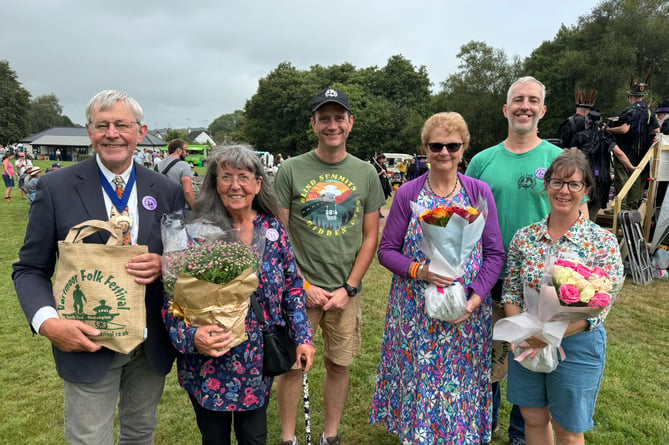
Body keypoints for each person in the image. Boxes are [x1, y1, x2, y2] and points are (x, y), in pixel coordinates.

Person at [12, 89, 185, 445]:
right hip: (86, 341)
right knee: (89, 439)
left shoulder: (166, 189)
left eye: (122, 125)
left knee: (140, 434)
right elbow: (30, 268)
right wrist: (48, 323)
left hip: (148, 343)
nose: (112, 134)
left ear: (141, 131)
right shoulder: (55, 187)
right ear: (89, 131)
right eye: (102, 125)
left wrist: (166, 264)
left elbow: (185, 258)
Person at [163, 144, 315, 445]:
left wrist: (303, 337)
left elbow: (292, 288)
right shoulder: (195, 231)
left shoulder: (273, 230)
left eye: (243, 176)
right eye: (226, 177)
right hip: (209, 359)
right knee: (214, 439)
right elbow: (171, 299)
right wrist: (190, 338)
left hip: (257, 361)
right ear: (215, 183)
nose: (235, 185)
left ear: (258, 183)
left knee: (255, 438)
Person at [370, 112, 505, 444]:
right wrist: (421, 271)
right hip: (415, 312)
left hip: (466, 313)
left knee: (461, 383)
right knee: (420, 380)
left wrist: (473, 300)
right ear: (424, 149)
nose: (444, 152)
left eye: (452, 145)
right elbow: (386, 249)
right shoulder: (408, 194)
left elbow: (495, 253)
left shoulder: (479, 192)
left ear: (463, 148)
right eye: (436, 146)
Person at [466, 76, 587, 445]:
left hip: (544, 288)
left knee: (531, 359)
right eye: (518, 99)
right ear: (506, 109)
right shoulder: (483, 161)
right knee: (486, 363)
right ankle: (482, 429)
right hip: (490, 281)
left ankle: (523, 437)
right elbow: (464, 217)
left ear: (543, 110)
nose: (525, 106)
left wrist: (571, 283)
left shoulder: (558, 161)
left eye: (533, 100)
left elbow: (580, 221)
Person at [274, 87, 385, 445]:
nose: (332, 125)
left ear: (350, 123)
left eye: (339, 117)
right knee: (292, 369)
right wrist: (302, 285)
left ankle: (331, 435)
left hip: (343, 293)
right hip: (298, 292)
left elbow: (371, 236)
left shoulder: (366, 173)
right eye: (325, 118)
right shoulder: (291, 169)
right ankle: (289, 438)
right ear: (314, 124)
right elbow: (280, 235)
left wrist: (348, 288)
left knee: (339, 366)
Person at [502, 149, 624, 445]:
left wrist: (552, 334)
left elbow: (600, 307)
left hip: (576, 343)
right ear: (546, 187)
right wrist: (524, 331)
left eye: (574, 184)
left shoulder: (601, 241)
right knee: (533, 417)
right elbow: (510, 289)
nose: (564, 191)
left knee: (568, 429)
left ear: (586, 191)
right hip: (528, 340)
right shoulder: (524, 237)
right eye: (557, 182)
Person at [607, 78, 659, 210]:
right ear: (642, 96)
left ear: (630, 96)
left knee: (622, 180)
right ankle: (633, 207)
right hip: (642, 154)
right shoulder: (649, 112)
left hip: (625, 151)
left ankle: (621, 208)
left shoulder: (628, 111)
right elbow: (656, 130)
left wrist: (609, 130)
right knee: (636, 179)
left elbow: (625, 128)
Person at [155, 138, 196, 209]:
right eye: (186, 150)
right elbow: (187, 191)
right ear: (179, 150)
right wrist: (195, 208)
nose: (187, 153)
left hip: (161, 207)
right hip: (178, 208)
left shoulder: (158, 165)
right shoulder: (184, 165)